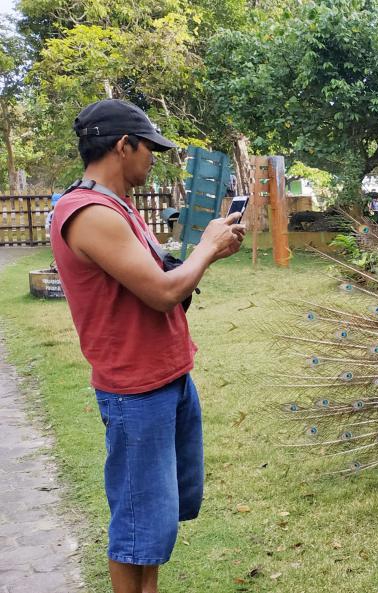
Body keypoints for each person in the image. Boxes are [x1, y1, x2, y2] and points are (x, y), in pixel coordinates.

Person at [49, 99, 245, 593]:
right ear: (123, 146)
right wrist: (207, 246)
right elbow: (161, 294)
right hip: (135, 390)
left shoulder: (116, 207)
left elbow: (158, 279)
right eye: (149, 149)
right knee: (136, 526)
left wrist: (207, 255)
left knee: (155, 523)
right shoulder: (89, 214)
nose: (153, 158)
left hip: (166, 377)